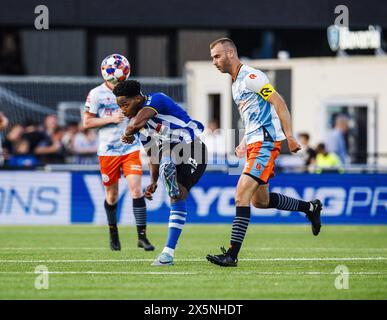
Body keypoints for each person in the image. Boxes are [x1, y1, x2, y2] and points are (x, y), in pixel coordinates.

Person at [206, 38, 323, 267]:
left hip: (266, 143)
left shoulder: (252, 77)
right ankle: (310, 208)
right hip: (254, 144)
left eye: (217, 56)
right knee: (261, 201)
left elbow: (279, 103)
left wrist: (289, 136)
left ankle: (231, 255)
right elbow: (253, 118)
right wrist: (243, 141)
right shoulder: (235, 83)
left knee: (241, 194)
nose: (214, 62)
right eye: (212, 58)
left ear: (230, 54)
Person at [113, 80, 207, 266]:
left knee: (167, 148)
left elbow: (137, 122)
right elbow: (151, 154)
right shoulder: (142, 130)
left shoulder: (156, 100)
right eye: (120, 106)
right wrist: (153, 181)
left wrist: (128, 131)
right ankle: (167, 255)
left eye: (125, 104)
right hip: (167, 154)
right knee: (178, 196)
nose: (123, 110)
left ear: (138, 98)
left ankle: (168, 165)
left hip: (194, 148)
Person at [83, 54, 154, 252]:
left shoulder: (133, 91)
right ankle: (113, 233)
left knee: (136, 190)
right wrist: (111, 119)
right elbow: (86, 123)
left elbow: (144, 112)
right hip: (107, 151)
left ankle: (142, 237)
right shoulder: (96, 94)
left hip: (130, 148)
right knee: (112, 196)